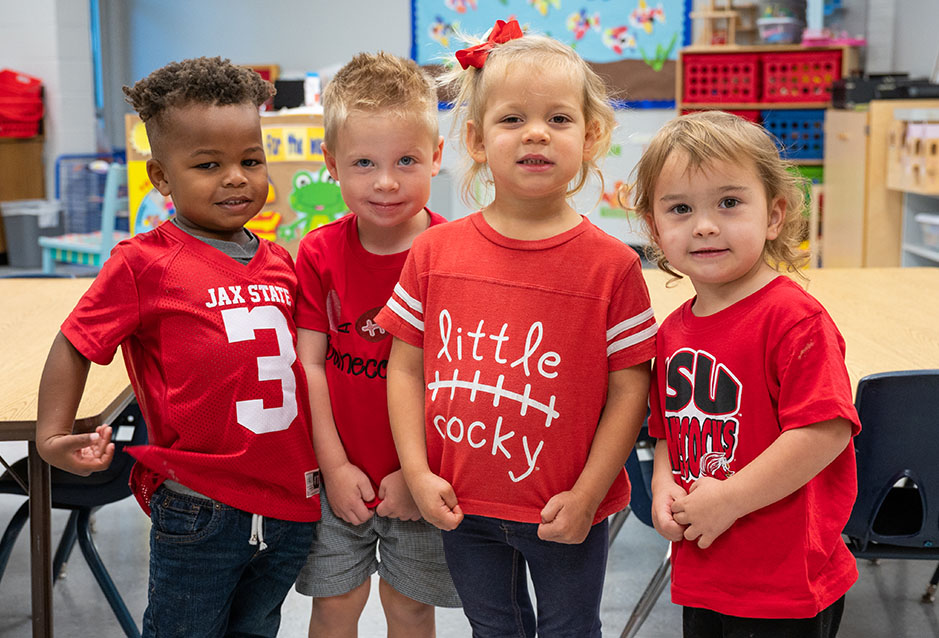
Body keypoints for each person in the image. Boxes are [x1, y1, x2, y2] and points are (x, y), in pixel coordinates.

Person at [374, 20, 657, 637]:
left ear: (592, 136)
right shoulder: (433, 251)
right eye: (512, 120)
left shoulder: (612, 265)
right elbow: (405, 366)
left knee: (569, 631)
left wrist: (588, 494)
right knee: (492, 629)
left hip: (563, 511)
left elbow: (630, 389)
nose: (536, 132)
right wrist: (417, 472)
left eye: (558, 119)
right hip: (461, 506)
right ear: (476, 140)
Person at [35, 56, 321, 638]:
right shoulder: (143, 263)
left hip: (290, 506)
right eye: (209, 164)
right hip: (201, 505)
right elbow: (75, 341)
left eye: (250, 160)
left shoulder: (282, 262)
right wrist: (51, 435)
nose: (236, 177)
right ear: (163, 178)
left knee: (258, 628)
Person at [631, 110, 860, 638]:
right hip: (708, 569)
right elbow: (668, 432)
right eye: (681, 209)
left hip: (786, 584)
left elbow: (825, 432)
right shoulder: (672, 332)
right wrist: (664, 485)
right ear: (655, 229)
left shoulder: (793, 319)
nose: (705, 225)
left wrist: (729, 500)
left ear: (775, 216)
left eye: (729, 203)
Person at [292, 51, 461, 637]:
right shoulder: (317, 253)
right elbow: (310, 365)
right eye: (364, 162)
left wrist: (418, 474)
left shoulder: (454, 254)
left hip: (423, 478)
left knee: (409, 607)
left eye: (406, 160)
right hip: (338, 474)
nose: (385, 182)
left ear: (436, 158)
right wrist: (334, 467)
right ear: (332, 165)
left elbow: (460, 380)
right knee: (335, 605)